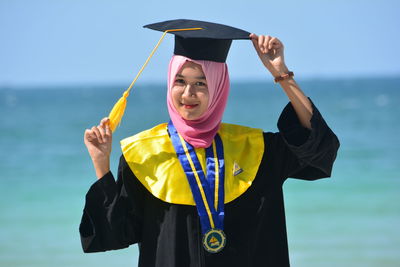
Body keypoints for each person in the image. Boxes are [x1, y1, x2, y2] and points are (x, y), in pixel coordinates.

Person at [80, 19, 339, 267]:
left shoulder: (256, 148)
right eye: (179, 81)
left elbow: (318, 149)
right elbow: (114, 234)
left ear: (219, 86)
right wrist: (101, 162)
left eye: (201, 83)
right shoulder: (144, 154)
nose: (188, 94)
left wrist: (282, 74)